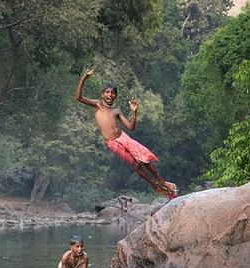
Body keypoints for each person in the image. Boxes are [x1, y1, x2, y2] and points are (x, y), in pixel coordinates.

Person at [75, 69, 178, 199]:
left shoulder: (116, 111)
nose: (110, 95)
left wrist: (134, 112)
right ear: (102, 94)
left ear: (115, 96)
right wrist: (83, 78)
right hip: (112, 143)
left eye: (113, 93)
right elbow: (78, 97)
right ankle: (156, 186)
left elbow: (130, 127)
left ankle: (162, 182)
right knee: (135, 165)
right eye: (107, 92)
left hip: (123, 137)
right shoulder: (98, 105)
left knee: (144, 158)